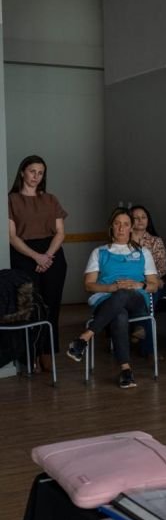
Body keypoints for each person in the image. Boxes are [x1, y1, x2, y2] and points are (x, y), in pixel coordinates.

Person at [65, 208, 159, 389]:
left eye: (125, 224)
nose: (121, 228)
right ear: (111, 227)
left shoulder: (143, 252)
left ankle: (84, 338)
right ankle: (126, 371)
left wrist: (137, 285)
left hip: (137, 301)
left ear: (131, 228)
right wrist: (111, 288)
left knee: (123, 293)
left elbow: (154, 284)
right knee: (119, 314)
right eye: (117, 224)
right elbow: (89, 285)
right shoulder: (99, 252)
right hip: (105, 301)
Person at [7, 155, 67, 373]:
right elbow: (12, 237)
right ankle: (28, 354)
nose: (36, 176)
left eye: (40, 172)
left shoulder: (50, 199)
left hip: (52, 255)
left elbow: (60, 233)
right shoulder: (10, 200)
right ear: (22, 172)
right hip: (23, 256)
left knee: (51, 307)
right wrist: (36, 257)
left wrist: (47, 256)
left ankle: (47, 352)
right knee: (28, 308)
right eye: (32, 171)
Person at [129, 204, 166, 354]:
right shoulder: (123, 241)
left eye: (143, 217)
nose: (140, 221)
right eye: (135, 218)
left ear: (148, 220)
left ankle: (144, 337)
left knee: (150, 293)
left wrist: (146, 280)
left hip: (155, 282)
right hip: (131, 284)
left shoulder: (155, 241)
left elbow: (162, 268)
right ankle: (146, 343)